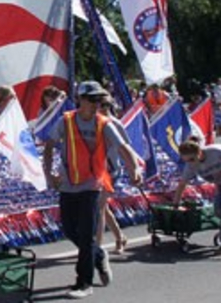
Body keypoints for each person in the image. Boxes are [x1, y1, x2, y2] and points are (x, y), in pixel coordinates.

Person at [43, 80, 143, 299]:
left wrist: (134, 168)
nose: (97, 104)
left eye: (99, 100)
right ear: (80, 100)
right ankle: (98, 256)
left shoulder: (104, 123)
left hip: (93, 184)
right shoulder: (66, 121)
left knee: (88, 233)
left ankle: (83, 283)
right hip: (69, 184)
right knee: (69, 229)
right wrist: (49, 173)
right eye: (92, 99)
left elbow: (123, 147)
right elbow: (49, 146)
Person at [95, 97, 128, 255]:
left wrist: (132, 168)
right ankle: (119, 237)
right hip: (96, 170)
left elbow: (126, 147)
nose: (101, 109)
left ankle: (98, 246)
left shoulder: (115, 124)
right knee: (102, 206)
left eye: (105, 106)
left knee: (100, 205)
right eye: (99, 105)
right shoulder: (92, 122)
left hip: (112, 170)